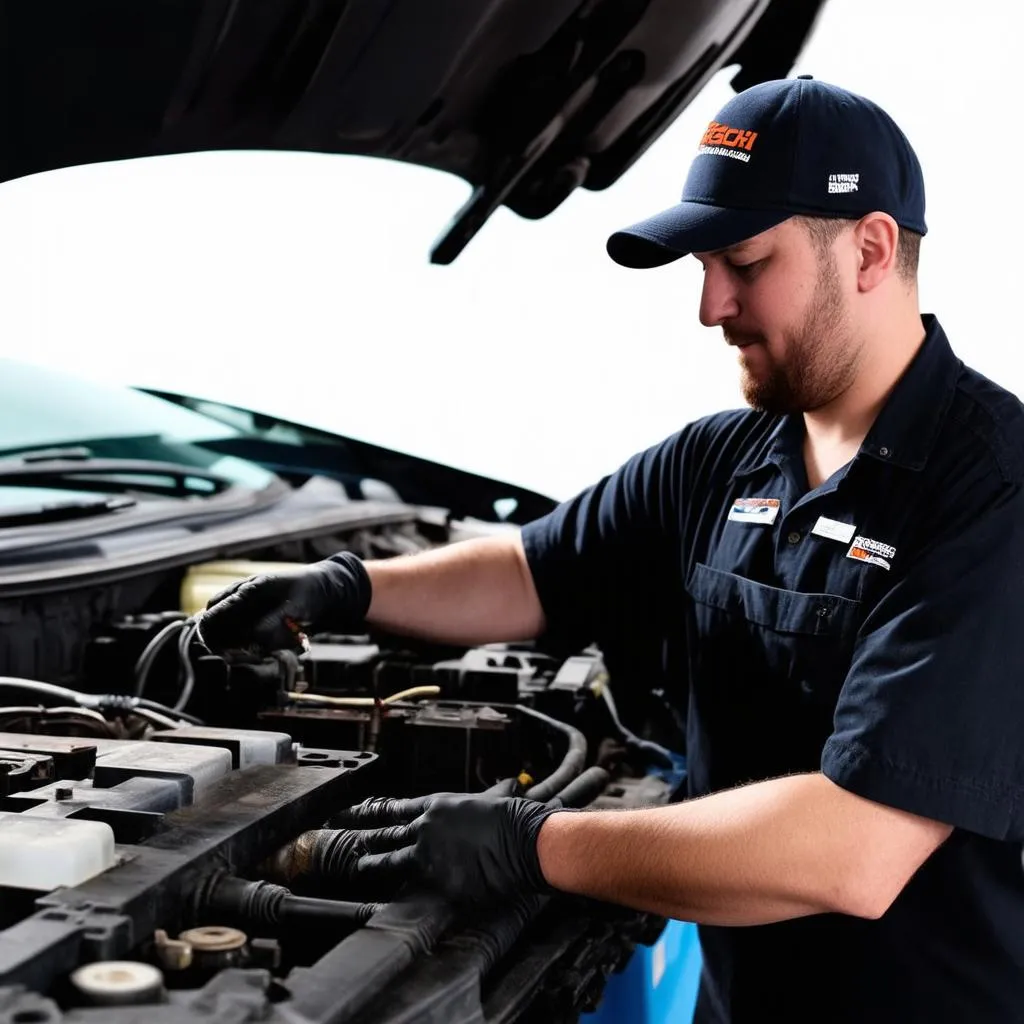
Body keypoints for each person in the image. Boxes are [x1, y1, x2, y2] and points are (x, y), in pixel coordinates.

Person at [197, 76, 1024, 1022]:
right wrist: (343, 589)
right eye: (703, 266)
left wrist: (532, 844)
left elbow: (856, 852)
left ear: (871, 249)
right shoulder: (723, 457)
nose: (711, 306)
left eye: (745, 263)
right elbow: (530, 571)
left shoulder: (991, 493)